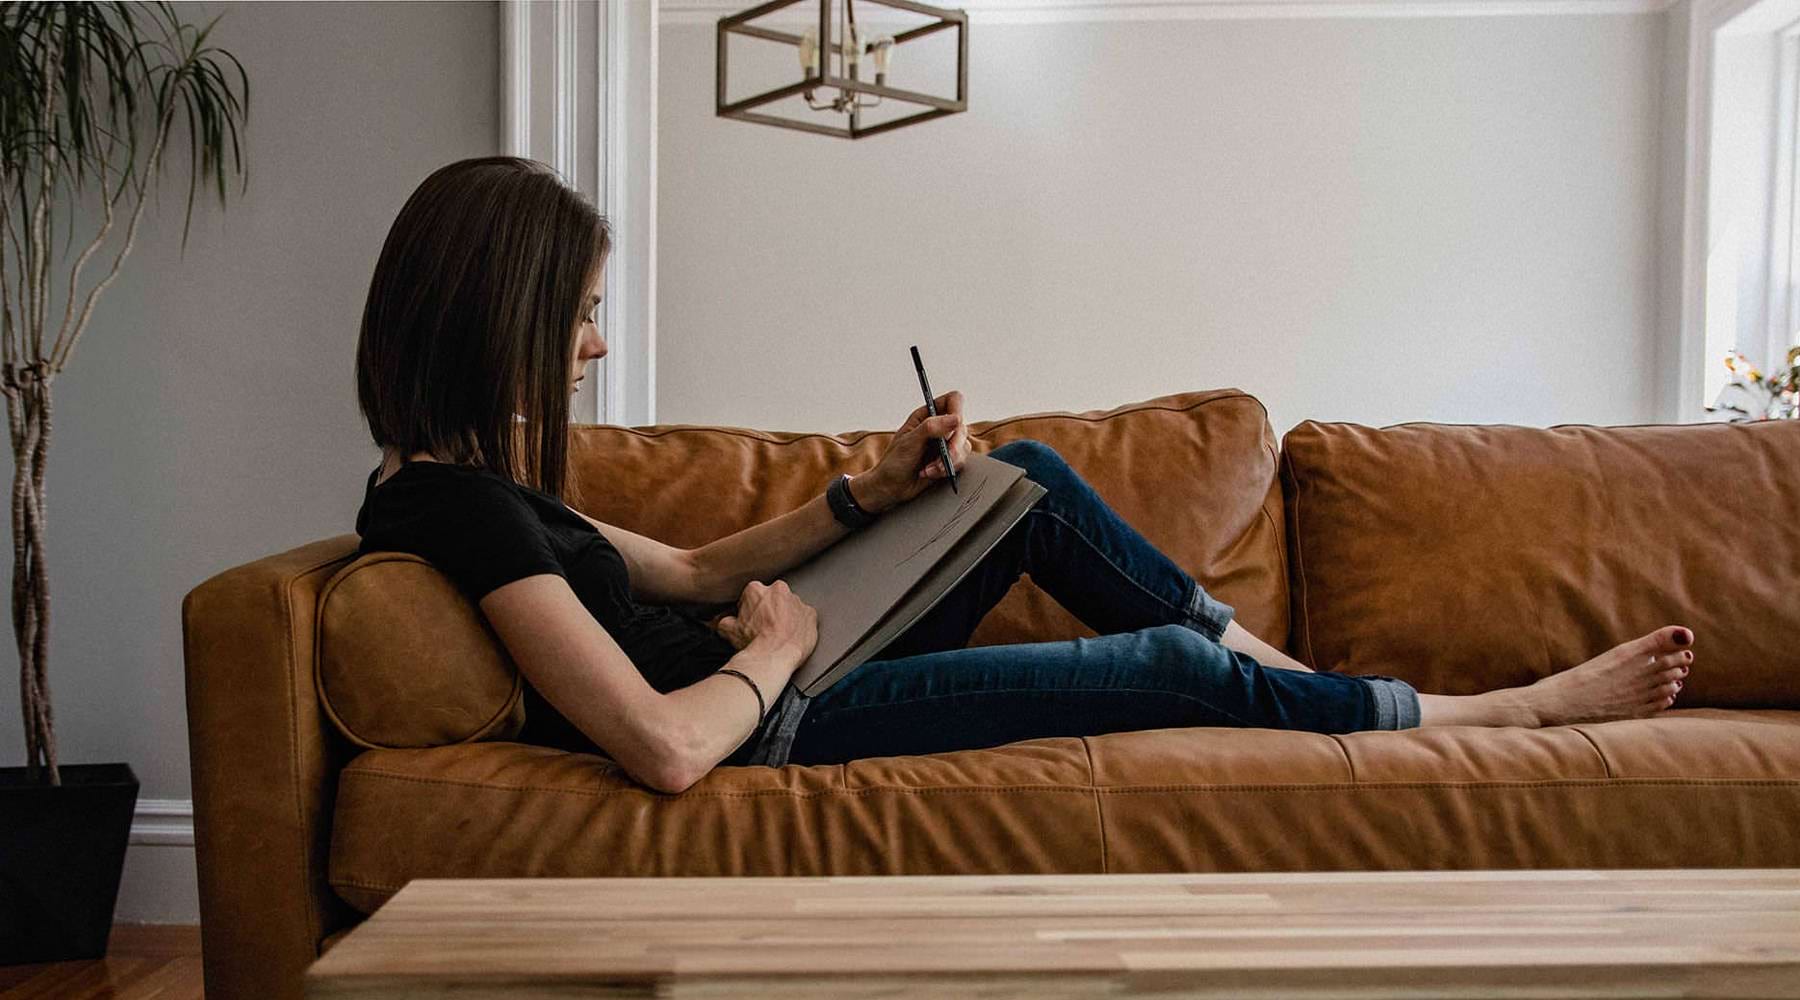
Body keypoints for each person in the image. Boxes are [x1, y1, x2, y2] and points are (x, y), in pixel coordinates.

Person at [354, 156, 1694, 794]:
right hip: (771, 714)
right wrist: (770, 653)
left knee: (1024, 480)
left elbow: (695, 570)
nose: (595, 343)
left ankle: (1300, 688)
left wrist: (874, 492)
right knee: (1167, 675)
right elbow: (659, 745)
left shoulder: (490, 489)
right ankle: (1484, 716)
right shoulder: (449, 511)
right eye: (580, 311)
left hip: (780, 668)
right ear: (500, 310)